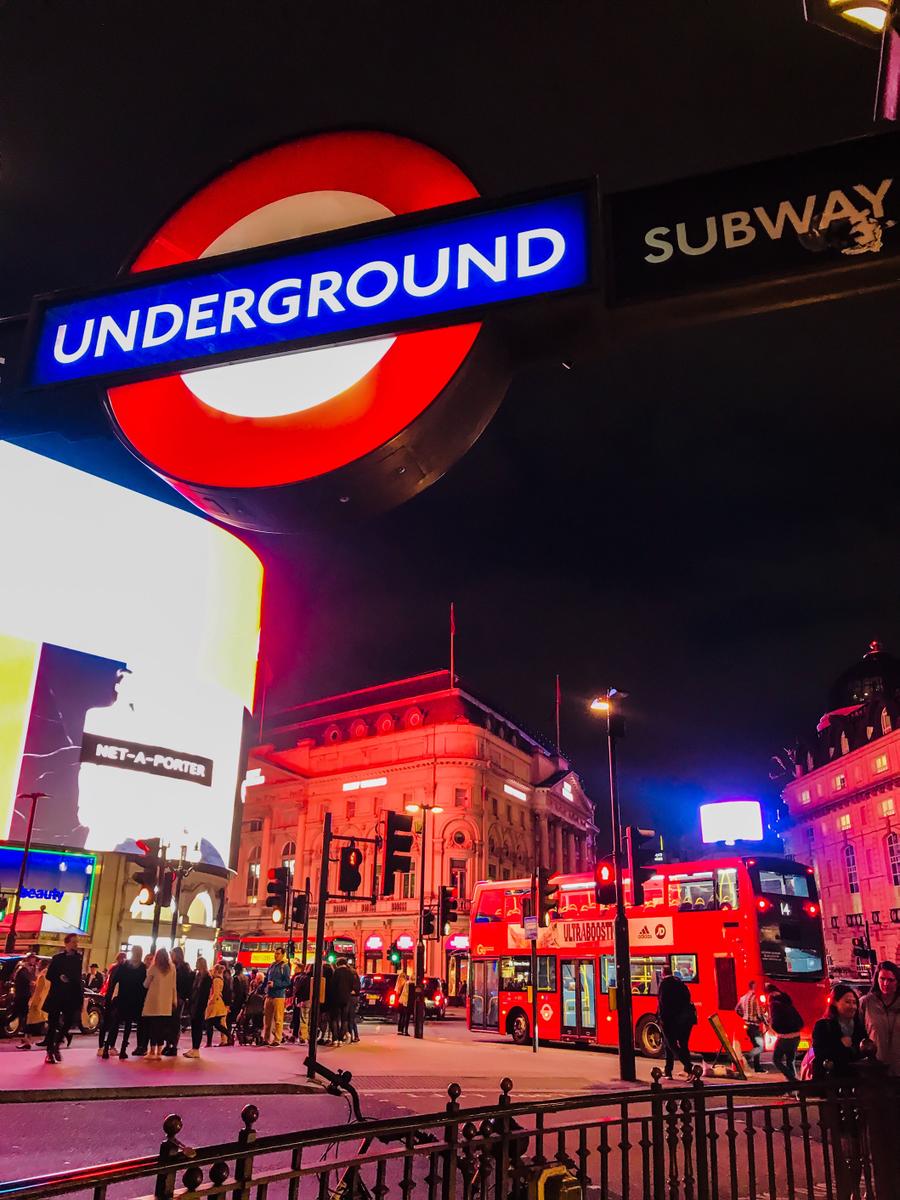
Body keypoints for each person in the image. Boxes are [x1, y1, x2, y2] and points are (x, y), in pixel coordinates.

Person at [44, 933, 84, 1064]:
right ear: (67, 943)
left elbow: (78, 977)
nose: (76, 944)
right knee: (52, 1023)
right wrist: (59, 977)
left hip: (71, 996)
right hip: (57, 994)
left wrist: (79, 995)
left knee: (69, 1021)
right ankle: (49, 1051)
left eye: (77, 942)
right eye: (74, 942)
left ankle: (57, 1044)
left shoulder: (78, 958)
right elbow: (49, 975)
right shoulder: (57, 958)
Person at [103, 944, 146, 1059]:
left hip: (122, 998)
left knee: (115, 1024)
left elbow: (114, 981)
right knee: (128, 1025)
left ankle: (106, 1048)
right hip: (135, 1000)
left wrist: (110, 996)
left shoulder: (124, 965)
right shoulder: (142, 968)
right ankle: (123, 1050)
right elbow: (143, 987)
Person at [859, 960, 900, 1077]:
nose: (886, 983)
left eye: (891, 980)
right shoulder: (866, 1003)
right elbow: (859, 1033)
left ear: (897, 982)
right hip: (875, 1069)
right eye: (882, 979)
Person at [657, 966, 695, 1080]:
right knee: (682, 1045)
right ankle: (668, 1070)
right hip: (685, 1020)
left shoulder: (664, 984)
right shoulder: (680, 982)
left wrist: (661, 1019)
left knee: (671, 1044)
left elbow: (662, 1003)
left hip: (670, 1020)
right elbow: (688, 998)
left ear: (663, 973)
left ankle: (689, 1067)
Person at [142, 947, 177, 1060]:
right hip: (166, 1002)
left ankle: (152, 1051)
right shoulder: (172, 968)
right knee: (162, 1028)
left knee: (153, 1027)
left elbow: (146, 984)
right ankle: (159, 1052)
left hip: (154, 1002)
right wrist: (174, 1000)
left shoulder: (154, 968)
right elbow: (174, 986)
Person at [765, 983, 804, 1082]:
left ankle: (792, 1080)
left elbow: (775, 1022)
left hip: (785, 1037)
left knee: (776, 1060)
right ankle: (793, 1085)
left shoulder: (774, 1004)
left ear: (770, 994)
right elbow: (800, 1021)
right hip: (796, 1036)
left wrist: (776, 1029)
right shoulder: (787, 1002)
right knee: (790, 1061)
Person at [163, 947, 194, 1057]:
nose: (171, 956)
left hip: (178, 996)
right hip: (174, 996)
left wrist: (183, 996)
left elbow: (185, 983)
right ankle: (168, 1044)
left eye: (172, 954)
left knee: (174, 1021)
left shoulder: (182, 967)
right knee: (169, 1021)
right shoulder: (177, 966)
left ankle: (173, 1046)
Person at [97, 952, 126, 1055]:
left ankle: (101, 1046)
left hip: (109, 998)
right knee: (114, 1023)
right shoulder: (121, 969)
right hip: (116, 999)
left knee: (106, 1023)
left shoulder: (112, 969)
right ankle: (110, 1046)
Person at [184, 956, 212, 1058]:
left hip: (200, 1005)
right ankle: (194, 1048)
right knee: (194, 1026)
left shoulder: (207, 978)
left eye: (197, 962)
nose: (195, 964)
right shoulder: (197, 975)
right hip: (194, 1003)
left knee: (198, 1026)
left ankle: (196, 1049)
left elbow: (204, 994)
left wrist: (200, 1007)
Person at [736, 979, 766, 1071]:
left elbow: (737, 1009)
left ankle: (756, 1065)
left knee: (756, 1045)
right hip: (754, 1026)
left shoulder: (743, 997)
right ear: (754, 986)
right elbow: (760, 1014)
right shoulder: (755, 998)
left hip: (747, 1025)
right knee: (759, 1046)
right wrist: (766, 1022)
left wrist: (744, 1016)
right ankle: (748, 1059)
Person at [263, 946, 291, 1046]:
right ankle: (266, 1038)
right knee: (267, 1019)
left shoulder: (285, 967)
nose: (276, 955)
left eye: (278, 954)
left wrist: (275, 984)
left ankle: (277, 1039)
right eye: (275, 953)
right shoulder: (272, 965)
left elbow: (287, 982)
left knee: (278, 1019)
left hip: (279, 996)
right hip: (269, 995)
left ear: (283, 955)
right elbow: (266, 979)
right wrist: (263, 988)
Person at [13, 953, 39, 1050]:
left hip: (30, 996)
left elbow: (34, 981)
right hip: (25, 996)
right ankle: (27, 1040)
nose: (34, 961)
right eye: (32, 958)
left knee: (28, 1017)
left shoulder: (33, 969)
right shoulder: (23, 968)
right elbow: (29, 981)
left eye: (34, 959)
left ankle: (27, 1040)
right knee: (23, 1016)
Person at [205, 962, 231, 1046]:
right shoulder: (221, 979)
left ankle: (209, 1043)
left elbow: (215, 993)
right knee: (217, 1024)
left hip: (215, 1005)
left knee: (209, 1023)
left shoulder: (216, 980)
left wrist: (210, 1002)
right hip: (219, 1004)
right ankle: (229, 1036)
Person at [331, 957, 355, 1044]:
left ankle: (335, 1038)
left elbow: (333, 985)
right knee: (344, 1019)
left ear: (338, 964)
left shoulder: (336, 972)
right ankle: (341, 1039)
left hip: (336, 998)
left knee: (335, 1018)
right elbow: (352, 986)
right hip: (346, 998)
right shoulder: (350, 972)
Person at [291, 964, 312, 1043]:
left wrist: (296, 997)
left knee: (303, 1018)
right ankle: (306, 1035)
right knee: (307, 1019)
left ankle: (303, 1036)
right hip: (310, 1000)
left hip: (303, 1000)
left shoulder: (302, 978)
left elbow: (297, 989)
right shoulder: (314, 978)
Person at [228, 961, 248, 1042]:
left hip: (236, 1003)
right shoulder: (245, 978)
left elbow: (236, 992)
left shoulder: (236, 978)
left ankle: (229, 1037)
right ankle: (241, 1036)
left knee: (228, 1020)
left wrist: (232, 1002)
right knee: (238, 1021)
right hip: (242, 1002)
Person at [347, 963, 361, 1044]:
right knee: (352, 1018)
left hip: (351, 998)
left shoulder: (350, 974)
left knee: (350, 1018)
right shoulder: (355, 974)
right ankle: (355, 1035)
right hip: (354, 998)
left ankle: (352, 1036)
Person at [396, 970, 411, 1036]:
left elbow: (397, 993)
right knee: (405, 1016)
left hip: (400, 1002)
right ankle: (404, 1030)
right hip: (404, 1002)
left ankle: (400, 1030)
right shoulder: (405, 984)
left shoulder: (398, 985)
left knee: (401, 1016)